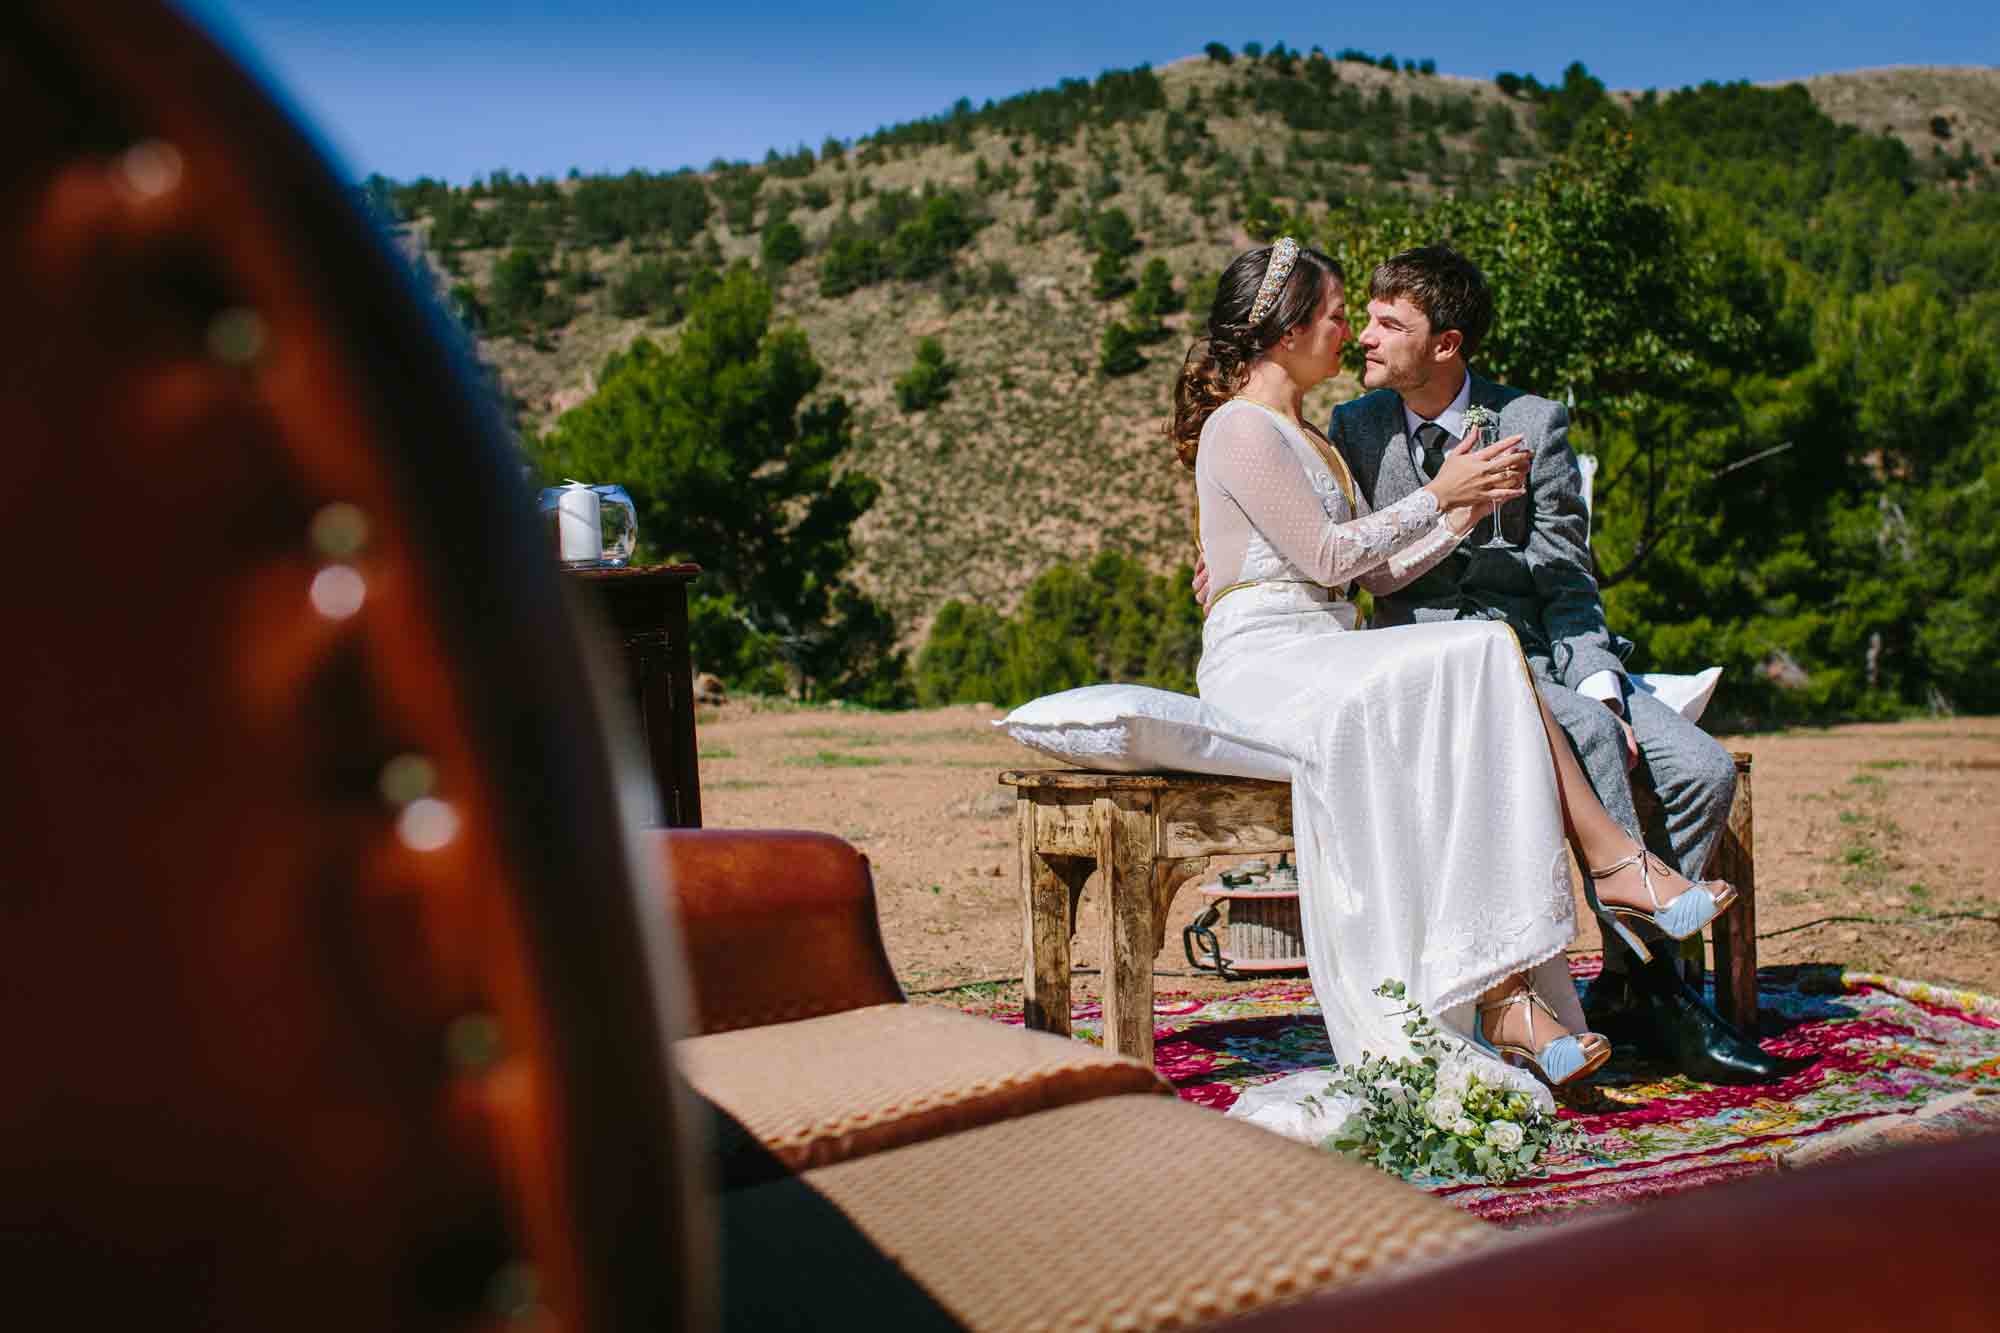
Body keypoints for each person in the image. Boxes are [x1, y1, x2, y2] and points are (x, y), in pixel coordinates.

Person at [1172, 238, 1737, 1132]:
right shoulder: (1238, 427)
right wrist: (1443, 494)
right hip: (1268, 661)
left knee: (1482, 654)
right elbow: (1326, 556)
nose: (1347, 329)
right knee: (1477, 654)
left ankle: (1514, 988)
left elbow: (1383, 578)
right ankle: (1607, 878)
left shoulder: (1313, 438)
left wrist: (1465, 505)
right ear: (1283, 332)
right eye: (1332, 314)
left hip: (1331, 646)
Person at [1322, 244, 1805, 1085]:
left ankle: (1628, 983)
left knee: (1700, 768)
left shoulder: (1532, 421)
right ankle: (1668, 996)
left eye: (1387, 322)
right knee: (1582, 731)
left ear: (1447, 343)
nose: (1365, 335)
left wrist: (1600, 684)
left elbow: (1568, 580)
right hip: (1437, 663)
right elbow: (1351, 562)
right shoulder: (1354, 429)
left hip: (1545, 655)